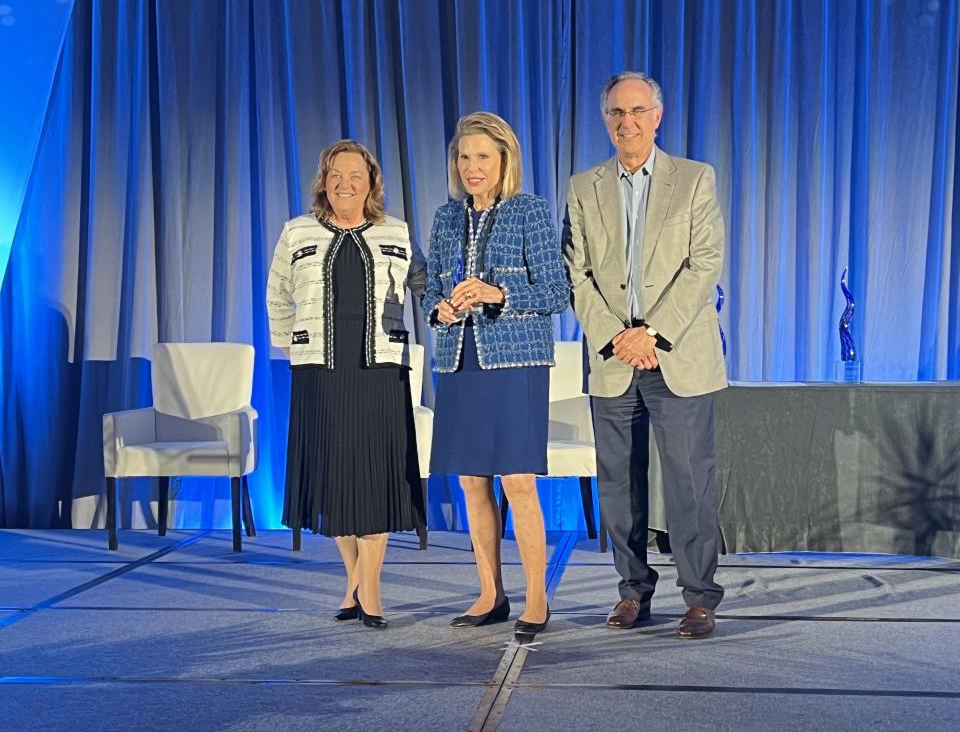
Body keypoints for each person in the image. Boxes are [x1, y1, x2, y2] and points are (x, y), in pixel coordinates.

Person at [563, 72, 726, 638]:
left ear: (658, 116)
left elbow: (704, 264)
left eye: (636, 111)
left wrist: (652, 334)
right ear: (604, 119)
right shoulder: (583, 186)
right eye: (615, 113)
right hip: (613, 360)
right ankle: (633, 591)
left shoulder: (694, 179)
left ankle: (701, 597)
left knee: (688, 482)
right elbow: (576, 275)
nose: (625, 122)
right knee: (618, 486)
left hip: (676, 355)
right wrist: (617, 338)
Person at [267, 140, 426, 630]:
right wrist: (288, 343)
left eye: (355, 175)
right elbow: (277, 292)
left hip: (379, 370)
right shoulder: (297, 232)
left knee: (375, 478)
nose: (344, 184)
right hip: (321, 371)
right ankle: (352, 583)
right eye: (335, 174)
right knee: (336, 478)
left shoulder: (396, 232)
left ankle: (370, 590)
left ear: (371, 182)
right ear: (323, 181)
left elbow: (426, 286)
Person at [424, 112, 569, 642]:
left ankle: (536, 598)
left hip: (515, 364)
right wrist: (440, 309)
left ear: (504, 159)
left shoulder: (529, 212)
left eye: (482, 156)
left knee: (519, 482)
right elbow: (428, 292)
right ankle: (490, 593)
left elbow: (557, 293)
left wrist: (496, 295)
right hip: (458, 361)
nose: (472, 167)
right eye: (464, 157)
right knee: (470, 481)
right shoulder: (444, 218)